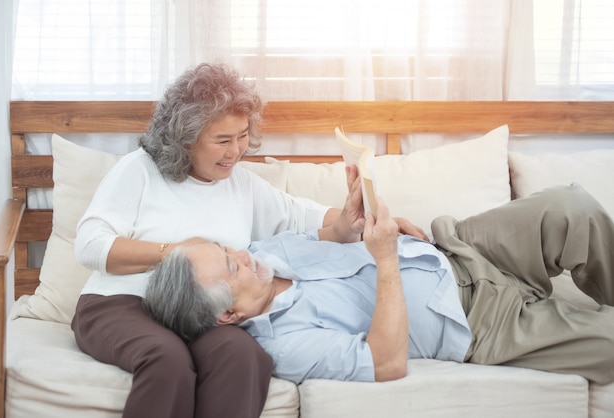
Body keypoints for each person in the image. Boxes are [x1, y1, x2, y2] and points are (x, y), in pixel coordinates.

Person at [71, 63, 424, 418]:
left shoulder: (240, 183)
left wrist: (369, 218)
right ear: (185, 138)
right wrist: (179, 252)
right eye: (222, 140)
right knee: (168, 360)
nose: (235, 151)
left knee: (244, 356)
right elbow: (90, 244)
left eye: (242, 136)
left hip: (200, 314)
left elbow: (304, 216)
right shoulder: (140, 170)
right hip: (123, 302)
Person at [144, 182, 614, 386]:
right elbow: (385, 363)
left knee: (571, 205)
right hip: (480, 321)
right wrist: (385, 257)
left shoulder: (268, 254)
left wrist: (352, 219)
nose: (243, 255)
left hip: (459, 248)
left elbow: (328, 236)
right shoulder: (284, 347)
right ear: (229, 314)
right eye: (232, 267)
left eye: (227, 249)